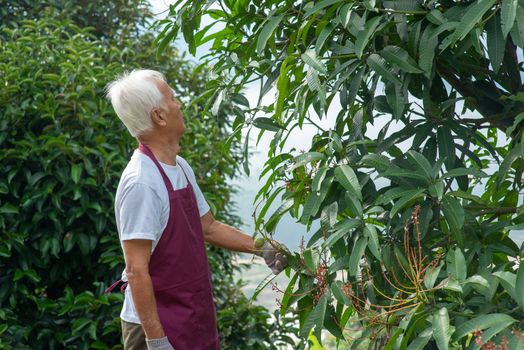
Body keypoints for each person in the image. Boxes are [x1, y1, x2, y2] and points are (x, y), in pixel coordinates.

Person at [105, 69, 288, 350]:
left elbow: (208, 227)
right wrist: (157, 341)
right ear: (159, 116)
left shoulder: (180, 167)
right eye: (173, 98)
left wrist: (261, 247)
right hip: (155, 325)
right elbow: (136, 271)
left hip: (191, 313)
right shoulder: (141, 183)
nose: (179, 105)